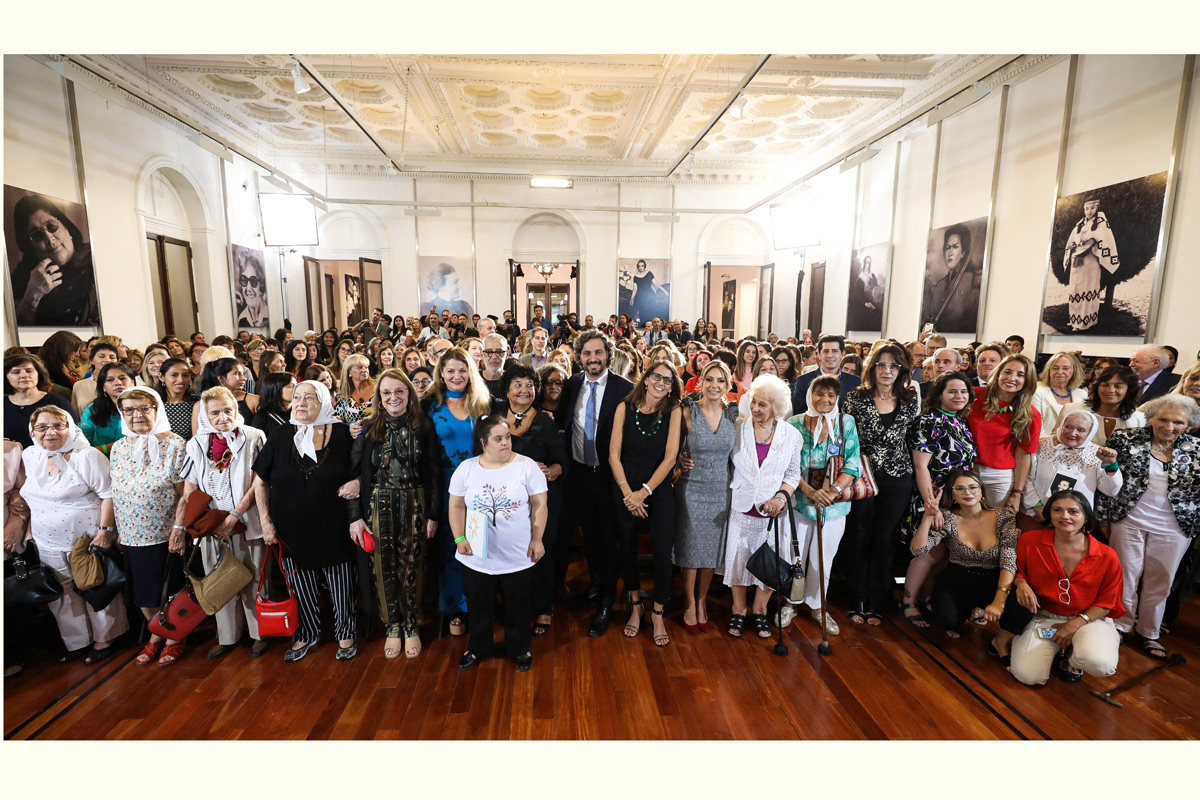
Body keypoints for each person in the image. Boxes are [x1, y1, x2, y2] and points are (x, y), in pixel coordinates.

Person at [252, 381, 358, 662]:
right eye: (297, 397)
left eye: (309, 398)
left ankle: (345, 631)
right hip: (290, 527)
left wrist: (357, 482)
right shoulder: (279, 435)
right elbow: (260, 483)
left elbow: (363, 472)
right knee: (300, 584)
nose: (300, 403)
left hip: (334, 525)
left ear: (323, 401)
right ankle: (308, 632)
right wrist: (265, 522)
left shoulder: (344, 434)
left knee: (341, 583)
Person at [19, 406, 129, 663]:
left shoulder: (86, 455)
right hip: (46, 539)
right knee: (62, 594)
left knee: (94, 586)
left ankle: (106, 637)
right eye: (42, 427)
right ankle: (77, 641)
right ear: (32, 432)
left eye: (58, 425)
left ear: (70, 427)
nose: (50, 432)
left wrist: (104, 532)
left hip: (86, 538)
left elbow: (109, 495)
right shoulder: (30, 455)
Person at [1098, 395, 1200, 660]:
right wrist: (1103, 517)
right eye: (1163, 419)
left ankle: (1148, 632)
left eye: (1178, 422)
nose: (1169, 426)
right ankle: (1119, 626)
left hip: (1175, 526)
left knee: (1161, 581)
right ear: (1151, 418)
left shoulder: (1197, 449)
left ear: (1188, 425)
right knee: (1125, 577)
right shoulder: (1126, 439)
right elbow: (1106, 478)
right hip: (1129, 519)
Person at [351, 369, 441, 660]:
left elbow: (434, 474)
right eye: (386, 392)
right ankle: (392, 626)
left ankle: (412, 623)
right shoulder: (366, 427)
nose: (393, 397)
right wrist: (355, 515)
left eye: (399, 391)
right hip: (377, 505)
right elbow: (354, 477)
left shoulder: (423, 425)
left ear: (409, 394)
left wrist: (433, 514)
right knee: (382, 567)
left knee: (412, 565)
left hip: (415, 501)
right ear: (378, 397)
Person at [993, 491, 1123, 686]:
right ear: (1049, 514)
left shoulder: (1107, 555)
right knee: (1029, 676)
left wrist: (1074, 625)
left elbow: (1108, 602)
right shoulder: (1030, 540)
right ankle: (1058, 647)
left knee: (1100, 664)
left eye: (1073, 511)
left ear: (1086, 516)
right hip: (1044, 617)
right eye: (1057, 510)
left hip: (1089, 620)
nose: (1065, 516)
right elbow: (1018, 571)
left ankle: (1072, 658)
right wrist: (1021, 584)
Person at [448, 416, 546, 672]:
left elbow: (540, 505)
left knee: (518, 606)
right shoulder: (466, 469)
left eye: (508, 437)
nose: (505, 443)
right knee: (479, 606)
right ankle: (478, 647)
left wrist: (537, 538)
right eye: (498, 439)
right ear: (483, 442)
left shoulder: (527, 467)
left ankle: (520, 647)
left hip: (518, 555)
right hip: (477, 556)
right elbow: (456, 506)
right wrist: (459, 537)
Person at [180, 387, 270, 660]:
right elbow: (189, 484)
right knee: (219, 580)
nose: (222, 417)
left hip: (247, 521)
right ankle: (228, 636)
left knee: (255, 578)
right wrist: (204, 518)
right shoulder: (196, 443)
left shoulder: (254, 437)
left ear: (236, 410)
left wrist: (234, 515)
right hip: (211, 528)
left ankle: (260, 634)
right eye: (215, 412)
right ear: (205, 415)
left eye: (228, 410)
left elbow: (260, 481)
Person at [559, 331, 635, 636]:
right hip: (579, 474)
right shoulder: (572, 384)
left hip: (610, 478)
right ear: (579, 356)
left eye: (598, 353)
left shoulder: (625, 389)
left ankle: (606, 601)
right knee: (589, 536)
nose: (593, 359)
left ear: (608, 354)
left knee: (608, 540)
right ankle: (594, 587)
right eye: (587, 353)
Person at [108, 388, 190, 667]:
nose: (137, 415)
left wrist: (179, 528)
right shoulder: (119, 446)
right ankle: (157, 635)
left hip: (165, 531)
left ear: (157, 410)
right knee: (143, 591)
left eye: (144, 408)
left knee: (169, 588)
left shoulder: (176, 444)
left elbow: (185, 494)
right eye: (129, 410)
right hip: (131, 533)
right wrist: (115, 529)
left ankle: (175, 638)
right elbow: (116, 491)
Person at [842, 344, 921, 626]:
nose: (887, 371)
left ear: (902, 370)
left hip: (898, 477)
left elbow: (913, 441)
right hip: (862, 476)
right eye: (882, 365)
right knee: (859, 534)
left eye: (894, 366)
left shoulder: (910, 398)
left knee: (886, 538)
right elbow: (846, 440)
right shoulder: (855, 398)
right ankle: (857, 597)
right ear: (872, 367)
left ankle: (877, 599)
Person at [609, 360, 684, 648]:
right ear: (646, 378)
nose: (661, 383)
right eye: (657, 377)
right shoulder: (623, 408)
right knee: (626, 549)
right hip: (625, 487)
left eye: (668, 380)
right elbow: (613, 455)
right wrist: (629, 493)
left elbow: (670, 457)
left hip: (659, 490)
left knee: (663, 554)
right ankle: (636, 604)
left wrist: (645, 492)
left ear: (671, 387)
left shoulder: (673, 410)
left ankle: (659, 612)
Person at [491, 364, 568, 638]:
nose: (525, 390)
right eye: (518, 384)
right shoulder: (495, 419)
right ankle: (514, 607)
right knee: (511, 555)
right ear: (507, 389)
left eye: (529, 385)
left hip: (541, 502)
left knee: (540, 554)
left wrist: (550, 471)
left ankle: (543, 607)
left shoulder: (546, 421)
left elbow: (563, 463)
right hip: (505, 504)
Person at [422, 347, 492, 637]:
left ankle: (478, 604)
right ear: (441, 373)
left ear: (471, 373)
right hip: (445, 487)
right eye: (450, 370)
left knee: (477, 547)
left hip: (479, 488)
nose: (456, 376)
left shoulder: (482, 404)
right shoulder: (429, 406)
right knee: (451, 548)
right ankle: (454, 608)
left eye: (462, 370)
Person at [786, 376, 862, 635]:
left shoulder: (846, 423)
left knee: (823, 559)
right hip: (799, 502)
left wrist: (833, 491)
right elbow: (786, 464)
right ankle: (790, 602)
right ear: (810, 395)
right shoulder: (794, 423)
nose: (825, 400)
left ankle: (818, 606)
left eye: (831, 395)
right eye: (819, 394)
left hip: (834, 505)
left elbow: (853, 463)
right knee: (794, 557)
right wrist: (809, 491)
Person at [902, 370, 978, 627]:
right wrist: (931, 507)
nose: (959, 396)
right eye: (952, 391)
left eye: (964, 391)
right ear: (940, 394)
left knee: (945, 553)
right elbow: (921, 466)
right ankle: (909, 602)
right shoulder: (928, 421)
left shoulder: (960, 421)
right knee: (928, 552)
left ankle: (925, 597)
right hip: (933, 497)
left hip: (957, 500)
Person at [910, 472, 1018, 636]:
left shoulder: (1004, 516)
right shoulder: (948, 517)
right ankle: (967, 611)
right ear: (952, 495)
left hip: (992, 580)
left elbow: (1009, 561)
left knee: (1021, 609)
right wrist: (927, 518)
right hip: (957, 579)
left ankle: (1003, 639)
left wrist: (999, 600)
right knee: (947, 621)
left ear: (981, 492)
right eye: (960, 489)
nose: (967, 493)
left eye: (973, 487)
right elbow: (918, 550)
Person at [674, 361, 738, 634]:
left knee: (712, 551)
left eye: (720, 381)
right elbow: (670, 448)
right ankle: (689, 602)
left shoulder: (733, 414)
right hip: (691, 488)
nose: (714, 385)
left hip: (721, 489)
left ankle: (702, 601)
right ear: (700, 381)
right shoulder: (687, 410)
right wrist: (679, 460)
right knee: (690, 547)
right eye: (709, 379)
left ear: (728, 384)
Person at [10, 194, 100, 326]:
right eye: (37, 234)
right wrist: (33, 295)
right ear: (32, 248)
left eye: (51, 226)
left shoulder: (95, 260)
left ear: (68, 229)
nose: (49, 238)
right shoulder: (25, 278)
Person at [968, 354, 1041, 509]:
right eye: (1007, 372)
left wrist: (1017, 493)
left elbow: (1023, 455)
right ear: (998, 372)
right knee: (964, 522)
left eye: (1020, 375)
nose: (1012, 378)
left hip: (1000, 477)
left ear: (1027, 381)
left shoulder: (1030, 415)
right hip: (967, 471)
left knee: (996, 524)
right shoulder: (973, 396)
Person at [1023, 409, 1122, 522]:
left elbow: (1111, 490)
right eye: (1069, 427)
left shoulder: (1096, 453)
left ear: (1090, 433)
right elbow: (1026, 477)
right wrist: (1037, 506)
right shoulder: (1041, 444)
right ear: (1062, 425)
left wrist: (1110, 465)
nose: (1072, 433)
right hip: (1035, 516)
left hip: (1075, 522)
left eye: (1081, 430)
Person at [1061, 199, 1120, 332]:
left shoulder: (1101, 223)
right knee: (1075, 289)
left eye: (1092, 208)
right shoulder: (1080, 224)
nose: (1089, 211)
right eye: (1086, 209)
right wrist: (1074, 245)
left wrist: (1090, 241)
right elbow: (1072, 241)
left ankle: (1086, 321)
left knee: (1088, 289)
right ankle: (1074, 319)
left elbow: (1105, 240)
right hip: (1077, 261)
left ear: (1097, 207)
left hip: (1090, 262)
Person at [5, 354, 78, 448]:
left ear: (38, 374)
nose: (24, 375)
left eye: (29, 371)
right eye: (16, 372)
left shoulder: (58, 403)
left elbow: (73, 436)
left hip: (52, 459)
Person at [922, 223, 980, 333]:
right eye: (947, 248)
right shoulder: (940, 284)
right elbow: (928, 316)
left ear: (963, 253)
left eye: (955, 247)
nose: (950, 253)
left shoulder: (972, 280)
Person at [791, 335, 862, 414]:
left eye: (835, 351)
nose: (830, 355)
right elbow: (799, 413)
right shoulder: (804, 380)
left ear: (842, 354)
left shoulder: (856, 382)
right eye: (826, 351)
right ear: (819, 354)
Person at [80, 363, 137, 453]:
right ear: (103, 387)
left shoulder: (145, 407)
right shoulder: (93, 409)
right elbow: (84, 443)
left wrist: (103, 449)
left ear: (133, 382)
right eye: (110, 380)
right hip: (99, 461)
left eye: (122, 378)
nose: (118, 383)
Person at [1031, 352, 1088, 435]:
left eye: (1065, 368)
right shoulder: (1036, 391)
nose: (1060, 372)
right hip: (1043, 444)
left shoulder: (1082, 394)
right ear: (1048, 370)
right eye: (1055, 368)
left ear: (1074, 371)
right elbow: (1035, 427)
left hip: (1074, 444)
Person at [70, 341, 119, 414]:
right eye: (101, 356)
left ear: (117, 361)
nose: (107, 360)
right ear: (91, 360)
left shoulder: (122, 384)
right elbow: (75, 415)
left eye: (112, 357)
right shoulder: (79, 385)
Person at [156, 357, 197, 440]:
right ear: (161, 377)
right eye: (174, 375)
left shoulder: (197, 403)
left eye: (185, 375)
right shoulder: (154, 404)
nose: (180, 380)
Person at [334, 354, 375, 435]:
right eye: (359, 367)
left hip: (375, 435)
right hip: (351, 438)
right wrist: (349, 427)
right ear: (349, 371)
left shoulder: (379, 389)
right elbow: (339, 420)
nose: (364, 370)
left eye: (366, 367)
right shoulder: (342, 396)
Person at [250, 371, 296, 439]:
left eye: (297, 385)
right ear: (275, 388)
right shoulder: (262, 417)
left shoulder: (299, 413)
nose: (296, 389)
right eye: (291, 386)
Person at [234, 247, 268, 328]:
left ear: (261, 286)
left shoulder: (269, 317)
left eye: (253, 281)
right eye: (244, 280)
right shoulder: (241, 319)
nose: (248, 289)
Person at [479, 333, 509, 397]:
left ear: (507, 354)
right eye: (488, 352)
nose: (494, 357)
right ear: (481, 354)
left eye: (499, 352)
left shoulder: (513, 381)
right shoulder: (473, 381)